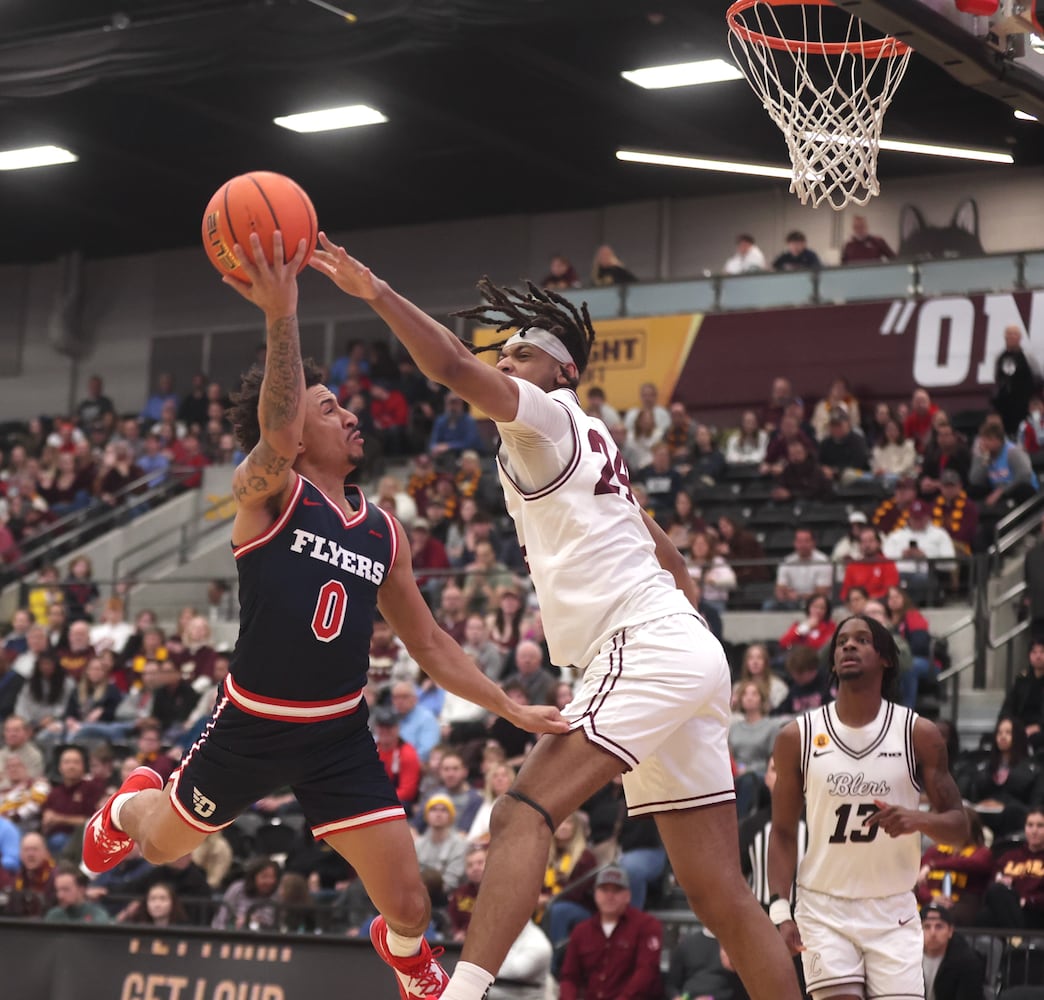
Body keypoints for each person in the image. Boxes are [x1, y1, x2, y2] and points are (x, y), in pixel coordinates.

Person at [308, 236, 803, 1000]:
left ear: (563, 370)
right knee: (721, 898)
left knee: (518, 815)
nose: (505, 363)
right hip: (677, 645)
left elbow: (447, 366)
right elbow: (666, 552)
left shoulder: (545, 416)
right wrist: (679, 619)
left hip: (643, 647)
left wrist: (374, 291)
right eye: (501, 354)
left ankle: (459, 994)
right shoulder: (594, 438)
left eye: (521, 354)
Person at [81, 232, 566, 1000]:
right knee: (164, 844)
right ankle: (127, 802)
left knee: (411, 905)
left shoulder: (383, 528)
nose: (349, 415)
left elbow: (432, 642)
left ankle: (403, 954)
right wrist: (283, 316)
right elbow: (275, 427)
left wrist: (507, 704)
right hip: (252, 724)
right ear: (298, 435)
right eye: (329, 406)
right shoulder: (267, 493)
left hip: (337, 733)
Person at [768, 615, 969, 1000]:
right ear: (831, 661)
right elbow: (782, 831)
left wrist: (917, 819)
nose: (848, 646)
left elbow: (960, 828)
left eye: (862, 639)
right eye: (841, 641)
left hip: (893, 909)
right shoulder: (798, 736)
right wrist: (781, 908)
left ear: (886, 658)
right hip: (824, 907)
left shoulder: (918, 734)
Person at [557, 864, 663, 1000]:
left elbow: (646, 972)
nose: (610, 896)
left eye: (616, 890)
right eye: (604, 890)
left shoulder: (647, 925)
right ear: (595, 894)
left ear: (628, 896)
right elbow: (569, 977)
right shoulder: (581, 931)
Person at [920, 902, 984, 1000]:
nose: (932, 933)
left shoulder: (967, 961)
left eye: (939, 927)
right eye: (926, 927)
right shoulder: (907, 959)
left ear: (950, 931)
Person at [992, 325, 1036, 440]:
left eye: (1014, 334)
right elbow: (997, 379)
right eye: (1009, 334)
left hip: (1024, 404)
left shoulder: (1027, 356)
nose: (1011, 337)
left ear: (1020, 337)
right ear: (1005, 337)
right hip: (1005, 406)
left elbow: (1037, 377)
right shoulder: (1000, 357)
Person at [45, 864, 113, 923]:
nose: (60, 896)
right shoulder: (53, 916)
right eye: (58, 890)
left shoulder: (98, 916)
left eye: (66, 890)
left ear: (81, 889)